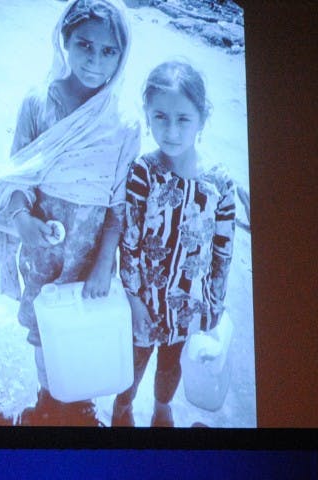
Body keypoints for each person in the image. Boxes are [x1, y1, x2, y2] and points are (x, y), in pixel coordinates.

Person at [0, 0, 140, 426]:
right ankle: (48, 398)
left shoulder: (123, 124)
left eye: (109, 51)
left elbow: (118, 202)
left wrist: (105, 261)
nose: (95, 60)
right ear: (64, 40)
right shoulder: (38, 104)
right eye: (85, 44)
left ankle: (78, 400)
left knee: (84, 328)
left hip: (91, 254)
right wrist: (22, 221)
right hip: (43, 254)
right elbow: (16, 175)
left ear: (121, 55)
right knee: (45, 328)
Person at [112, 60, 236, 427]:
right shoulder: (143, 173)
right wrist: (134, 300)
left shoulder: (219, 182)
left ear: (202, 118)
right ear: (148, 116)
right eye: (160, 117)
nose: (171, 130)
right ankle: (123, 406)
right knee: (132, 363)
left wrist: (214, 303)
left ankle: (162, 407)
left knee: (171, 365)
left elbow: (223, 251)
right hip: (145, 303)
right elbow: (129, 242)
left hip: (190, 306)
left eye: (183, 119)